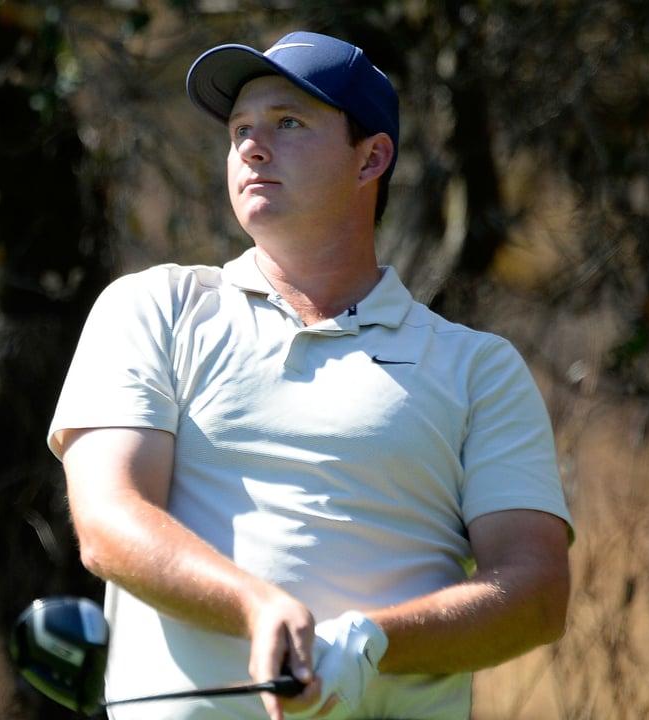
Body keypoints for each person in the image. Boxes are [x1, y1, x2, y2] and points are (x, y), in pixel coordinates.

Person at [47, 30, 573, 720]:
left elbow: (535, 594)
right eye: (240, 129)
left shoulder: (477, 368)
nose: (252, 147)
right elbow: (109, 521)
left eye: (288, 123)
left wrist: (372, 644)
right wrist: (258, 607)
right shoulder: (155, 309)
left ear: (371, 158)